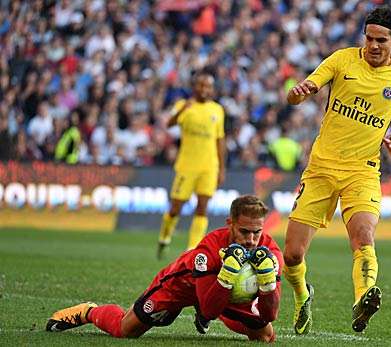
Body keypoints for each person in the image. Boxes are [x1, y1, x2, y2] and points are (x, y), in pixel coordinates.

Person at [283, 5, 391, 334]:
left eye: (381, 40)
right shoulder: (342, 59)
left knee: (363, 237)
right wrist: (297, 95)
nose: (373, 45)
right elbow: (302, 92)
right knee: (292, 254)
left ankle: (363, 299)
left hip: (363, 171)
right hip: (321, 168)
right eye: (369, 38)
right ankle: (303, 294)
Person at [47, 195, 282, 342]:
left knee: (264, 336)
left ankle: (208, 305)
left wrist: (269, 283)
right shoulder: (208, 250)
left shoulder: (270, 251)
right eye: (244, 232)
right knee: (126, 330)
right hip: (182, 284)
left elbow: (270, 314)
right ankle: (88, 311)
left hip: (221, 292)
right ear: (230, 223)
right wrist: (227, 274)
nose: (251, 239)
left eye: (256, 232)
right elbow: (210, 309)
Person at [157, 72, 227, 259]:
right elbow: (169, 124)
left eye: (208, 86)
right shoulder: (183, 105)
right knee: (175, 208)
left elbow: (220, 140)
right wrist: (182, 111)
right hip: (187, 165)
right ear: (194, 86)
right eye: (201, 86)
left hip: (209, 166)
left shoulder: (217, 110)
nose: (204, 90)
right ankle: (165, 236)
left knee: (202, 206)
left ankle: (192, 249)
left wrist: (222, 168)